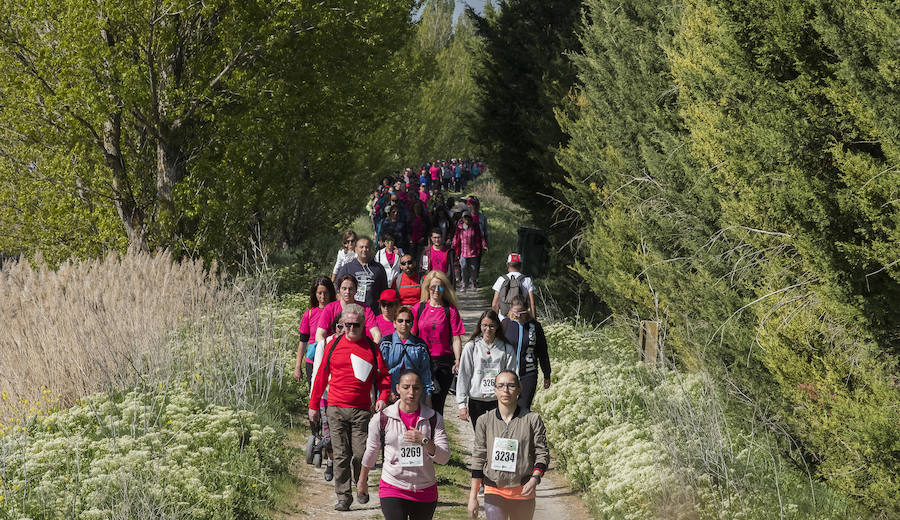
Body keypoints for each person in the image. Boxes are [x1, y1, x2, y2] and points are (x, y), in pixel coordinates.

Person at [309, 304, 392, 511]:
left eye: (356, 325)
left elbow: (384, 377)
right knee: (340, 454)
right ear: (342, 325)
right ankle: (344, 497)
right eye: (347, 325)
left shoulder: (372, 348)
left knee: (360, 453)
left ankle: (361, 483)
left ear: (363, 325)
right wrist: (313, 405)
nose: (351, 329)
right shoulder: (333, 345)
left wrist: (382, 397)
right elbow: (320, 377)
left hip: (362, 410)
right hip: (335, 407)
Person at [358, 370, 449, 519]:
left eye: (416, 388)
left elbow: (444, 458)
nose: (411, 392)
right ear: (398, 388)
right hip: (392, 486)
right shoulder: (382, 419)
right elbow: (371, 451)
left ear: (422, 390)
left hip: (425, 489)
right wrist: (362, 481)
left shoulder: (433, 419)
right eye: (406, 387)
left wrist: (425, 441)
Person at [467, 370, 549, 520]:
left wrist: (534, 479)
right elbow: (478, 457)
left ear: (519, 389)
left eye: (511, 386)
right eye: (501, 386)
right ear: (495, 390)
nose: (506, 390)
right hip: (494, 490)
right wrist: (473, 497)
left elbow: (542, 453)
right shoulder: (484, 421)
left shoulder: (532, 420)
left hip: (524, 490)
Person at [411, 270, 465, 417]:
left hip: (443, 364)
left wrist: (458, 360)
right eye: (433, 287)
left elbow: (456, 338)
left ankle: (436, 437)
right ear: (427, 288)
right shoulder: (419, 308)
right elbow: (412, 337)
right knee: (420, 404)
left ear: (444, 289)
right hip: (422, 362)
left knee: (437, 404)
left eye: (440, 287)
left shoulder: (450, 311)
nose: (436, 290)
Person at [456, 310, 516, 431]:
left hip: (499, 401)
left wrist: (513, 400)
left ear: (497, 326)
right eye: (485, 325)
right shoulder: (471, 347)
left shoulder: (506, 348)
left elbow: (513, 376)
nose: (488, 329)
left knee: (498, 437)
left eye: (492, 326)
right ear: (480, 326)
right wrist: (462, 405)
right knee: (481, 438)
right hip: (477, 401)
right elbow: (464, 376)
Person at [501, 299, 551, 411]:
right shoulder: (505, 324)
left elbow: (543, 352)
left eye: (520, 313)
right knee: (507, 409)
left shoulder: (535, 326)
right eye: (514, 313)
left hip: (528, 374)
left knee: (523, 409)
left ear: (526, 311)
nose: (517, 316)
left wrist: (547, 374)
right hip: (507, 373)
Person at [379, 308, 435, 404]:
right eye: (400, 321)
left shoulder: (420, 345)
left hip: (413, 394)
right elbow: (380, 371)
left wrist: (428, 396)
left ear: (412, 324)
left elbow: (426, 372)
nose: (404, 324)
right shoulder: (386, 343)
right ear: (394, 323)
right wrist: (386, 392)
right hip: (390, 393)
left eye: (407, 321)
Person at [294, 276, 337, 385]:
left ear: (331, 293)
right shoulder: (309, 314)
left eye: (326, 293)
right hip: (313, 360)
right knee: (314, 395)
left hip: (333, 360)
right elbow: (303, 342)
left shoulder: (337, 311)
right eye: (319, 293)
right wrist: (298, 367)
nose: (323, 297)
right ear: (315, 294)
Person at [316, 274, 381, 345]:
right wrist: (328, 349)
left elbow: (376, 334)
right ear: (339, 290)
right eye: (344, 288)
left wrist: (372, 350)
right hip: (335, 348)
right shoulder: (330, 308)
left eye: (350, 288)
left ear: (356, 290)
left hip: (358, 348)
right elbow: (319, 335)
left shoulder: (365, 309)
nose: (347, 292)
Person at [334, 237, 389, 311]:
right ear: (356, 249)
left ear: (370, 249)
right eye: (361, 247)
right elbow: (337, 289)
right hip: (351, 312)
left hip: (373, 311)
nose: (364, 250)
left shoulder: (379, 268)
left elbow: (384, 291)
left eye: (367, 247)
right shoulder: (347, 267)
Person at [491, 253, 536, 320]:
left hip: (503, 318)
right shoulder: (527, 280)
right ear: (521, 265)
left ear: (507, 264)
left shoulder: (501, 279)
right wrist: (533, 320)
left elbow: (495, 304)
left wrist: (494, 320)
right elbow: (532, 303)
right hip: (521, 319)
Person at [452, 213, 487, 292]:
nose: (467, 220)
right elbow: (456, 237)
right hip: (463, 252)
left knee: (473, 269)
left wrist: (484, 245)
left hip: (473, 252)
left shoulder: (475, 227)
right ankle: (464, 284)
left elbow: (480, 237)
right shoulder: (460, 228)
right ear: (462, 219)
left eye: (468, 218)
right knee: (463, 267)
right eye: (465, 218)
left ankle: (473, 281)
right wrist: (453, 246)